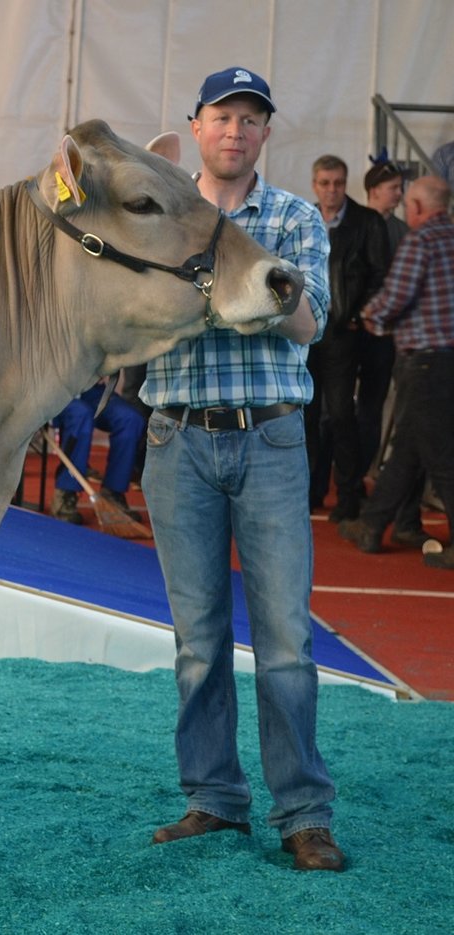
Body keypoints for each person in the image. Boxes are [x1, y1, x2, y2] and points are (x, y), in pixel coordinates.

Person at [140, 67, 344, 871]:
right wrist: (239, 294)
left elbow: (306, 325)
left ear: (265, 133)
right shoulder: (158, 213)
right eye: (223, 115)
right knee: (198, 639)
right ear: (196, 126)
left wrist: (258, 292)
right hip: (176, 440)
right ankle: (215, 801)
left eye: (251, 118)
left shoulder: (294, 216)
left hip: (269, 441)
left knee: (287, 637)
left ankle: (303, 812)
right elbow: (145, 320)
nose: (236, 129)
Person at [338, 176, 454, 569]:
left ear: (419, 207)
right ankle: (372, 526)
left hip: (424, 360)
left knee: (439, 454)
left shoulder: (419, 241)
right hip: (448, 361)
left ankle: (374, 526)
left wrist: (368, 316)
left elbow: (396, 296)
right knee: (408, 446)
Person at [304, 155, 392, 520]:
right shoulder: (304, 218)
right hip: (307, 333)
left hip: (343, 334)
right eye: (325, 183)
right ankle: (310, 491)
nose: (332, 190)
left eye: (338, 182)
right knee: (307, 416)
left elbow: (379, 274)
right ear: (315, 185)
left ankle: (349, 495)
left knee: (341, 416)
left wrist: (357, 315)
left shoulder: (367, 222)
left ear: (346, 182)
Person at [363, 160, 431, 548]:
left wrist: (371, 315)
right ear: (375, 190)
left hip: (403, 342)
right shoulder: (416, 235)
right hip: (385, 339)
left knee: (407, 432)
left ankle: (382, 519)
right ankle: (381, 515)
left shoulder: (412, 235)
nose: (399, 196)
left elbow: (397, 292)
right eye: (393, 188)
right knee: (401, 432)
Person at [48, 378, 145, 525]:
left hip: (92, 389)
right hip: (56, 389)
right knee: (81, 414)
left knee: (130, 419)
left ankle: (113, 492)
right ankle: (65, 492)